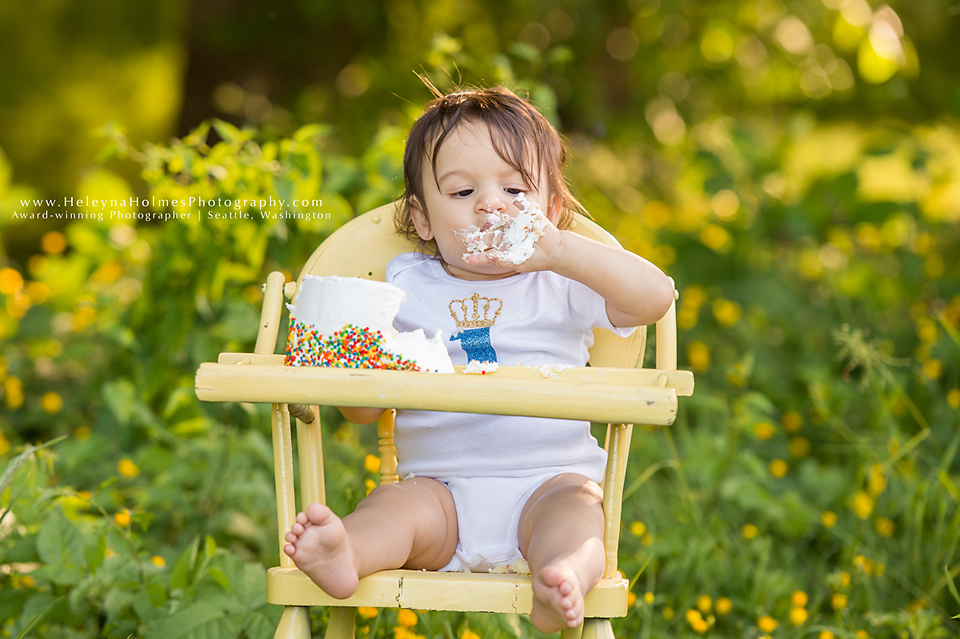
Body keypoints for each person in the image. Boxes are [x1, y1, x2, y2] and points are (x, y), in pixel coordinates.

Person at [283, 86, 674, 633]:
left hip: (547, 480)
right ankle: (347, 552)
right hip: (439, 490)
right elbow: (362, 414)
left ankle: (560, 576)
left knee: (579, 518)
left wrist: (560, 250)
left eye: (516, 189)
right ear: (422, 219)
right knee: (392, 510)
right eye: (463, 191)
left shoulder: (562, 281)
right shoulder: (406, 286)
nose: (492, 204)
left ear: (551, 210)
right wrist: (356, 368)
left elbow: (655, 298)